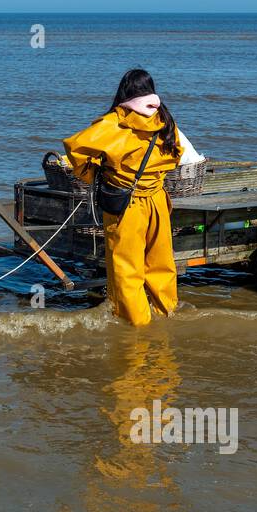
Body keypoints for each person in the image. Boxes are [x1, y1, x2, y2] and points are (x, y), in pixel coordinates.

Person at [63, 69, 198, 326]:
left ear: (124, 92)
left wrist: (94, 174)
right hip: (157, 200)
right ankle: (166, 315)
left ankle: (137, 327)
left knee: (127, 270)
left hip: (127, 204)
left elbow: (76, 147)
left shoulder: (116, 121)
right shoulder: (164, 119)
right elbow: (177, 153)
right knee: (161, 265)